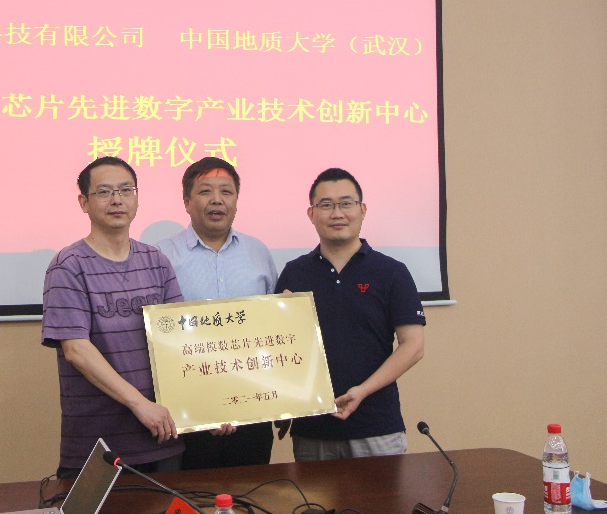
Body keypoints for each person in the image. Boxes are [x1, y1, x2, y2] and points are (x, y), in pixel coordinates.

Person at [41, 157, 184, 479]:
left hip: (163, 437)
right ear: (84, 202)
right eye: (104, 192)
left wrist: (210, 404)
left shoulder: (156, 261)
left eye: (125, 190)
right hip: (99, 444)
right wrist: (140, 404)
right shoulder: (68, 265)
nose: (117, 200)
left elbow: (179, 340)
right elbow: (76, 350)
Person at [275, 167, 426, 461]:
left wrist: (363, 391)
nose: (337, 213)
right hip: (312, 428)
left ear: (362, 210)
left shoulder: (391, 272)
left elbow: (414, 346)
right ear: (311, 214)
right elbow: (278, 345)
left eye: (346, 203)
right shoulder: (295, 273)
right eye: (326, 205)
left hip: (377, 426)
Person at [155, 157, 278, 469]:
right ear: (186, 201)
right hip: (185, 414)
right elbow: (155, 337)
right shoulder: (161, 256)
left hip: (253, 408)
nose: (217, 200)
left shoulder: (258, 252)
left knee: (252, 489)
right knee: (189, 492)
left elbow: (274, 329)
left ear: (236, 200)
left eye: (226, 191)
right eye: (205, 191)